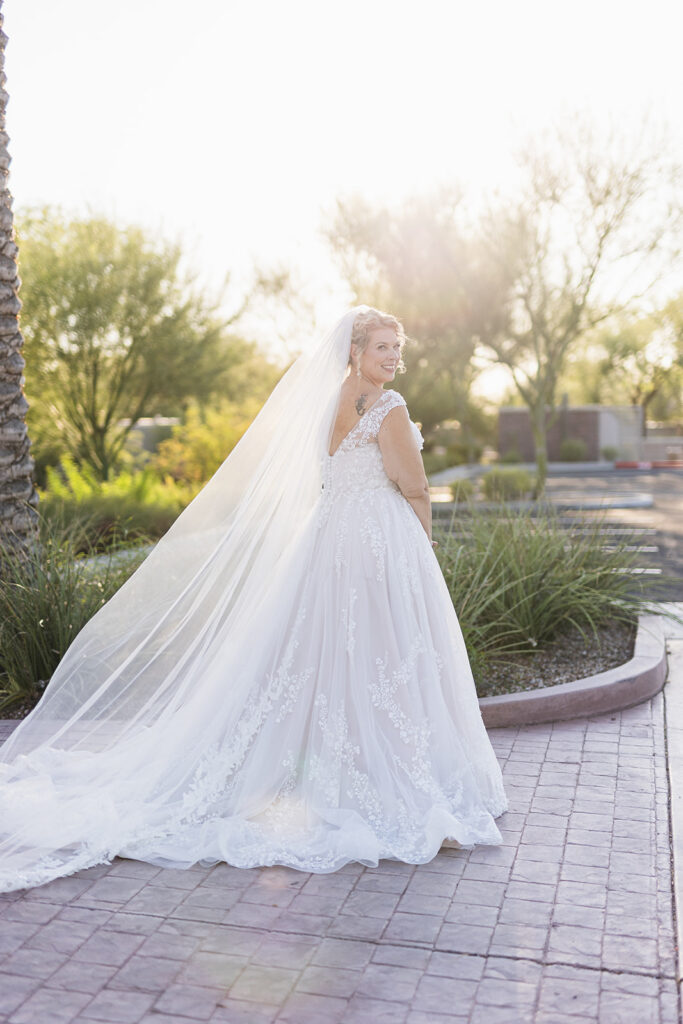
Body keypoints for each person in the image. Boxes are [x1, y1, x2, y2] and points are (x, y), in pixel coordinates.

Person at [0, 306, 507, 892]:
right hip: (376, 541)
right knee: (386, 649)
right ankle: (376, 773)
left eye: (397, 347)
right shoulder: (389, 407)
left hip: (327, 539)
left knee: (322, 649)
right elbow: (413, 484)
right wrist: (423, 544)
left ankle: (316, 769)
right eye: (382, 347)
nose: (393, 357)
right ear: (355, 351)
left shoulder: (325, 400)